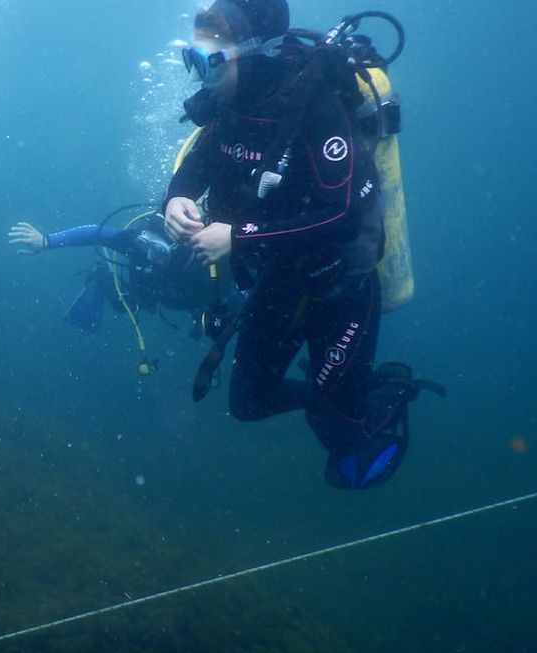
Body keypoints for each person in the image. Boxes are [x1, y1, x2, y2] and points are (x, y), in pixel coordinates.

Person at [162, 0, 441, 489]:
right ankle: (332, 391)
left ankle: (379, 393)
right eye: (193, 58)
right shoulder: (229, 107)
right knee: (248, 404)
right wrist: (175, 199)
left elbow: (343, 215)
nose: (200, 77)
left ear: (254, 53)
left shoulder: (314, 105)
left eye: (210, 60)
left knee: (341, 435)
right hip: (281, 281)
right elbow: (192, 170)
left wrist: (239, 237)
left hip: (340, 286)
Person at [8, 217, 237, 338]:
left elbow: (233, 287)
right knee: (125, 305)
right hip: (160, 295)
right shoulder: (136, 242)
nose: (155, 252)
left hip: (197, 297)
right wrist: (46, 241)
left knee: (219, 318)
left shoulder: (203, 253)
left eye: (163, 248)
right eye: (151, 244)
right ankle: (101, 278)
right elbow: (96, 233)